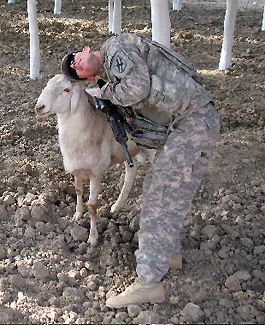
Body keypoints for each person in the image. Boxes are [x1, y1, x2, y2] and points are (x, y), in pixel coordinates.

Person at [62, 33, 221, 308]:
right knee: (159, 192)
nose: (75, 64)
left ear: (87, 50)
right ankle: (167, 255)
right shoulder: (114, 72)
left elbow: (138, 87)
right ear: (88, 78)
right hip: (188, 124)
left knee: (160, 201)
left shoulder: (114, 48)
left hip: (191, 122)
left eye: (75, 59)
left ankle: (148, 283)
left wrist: (102, 94)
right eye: (75, 69)